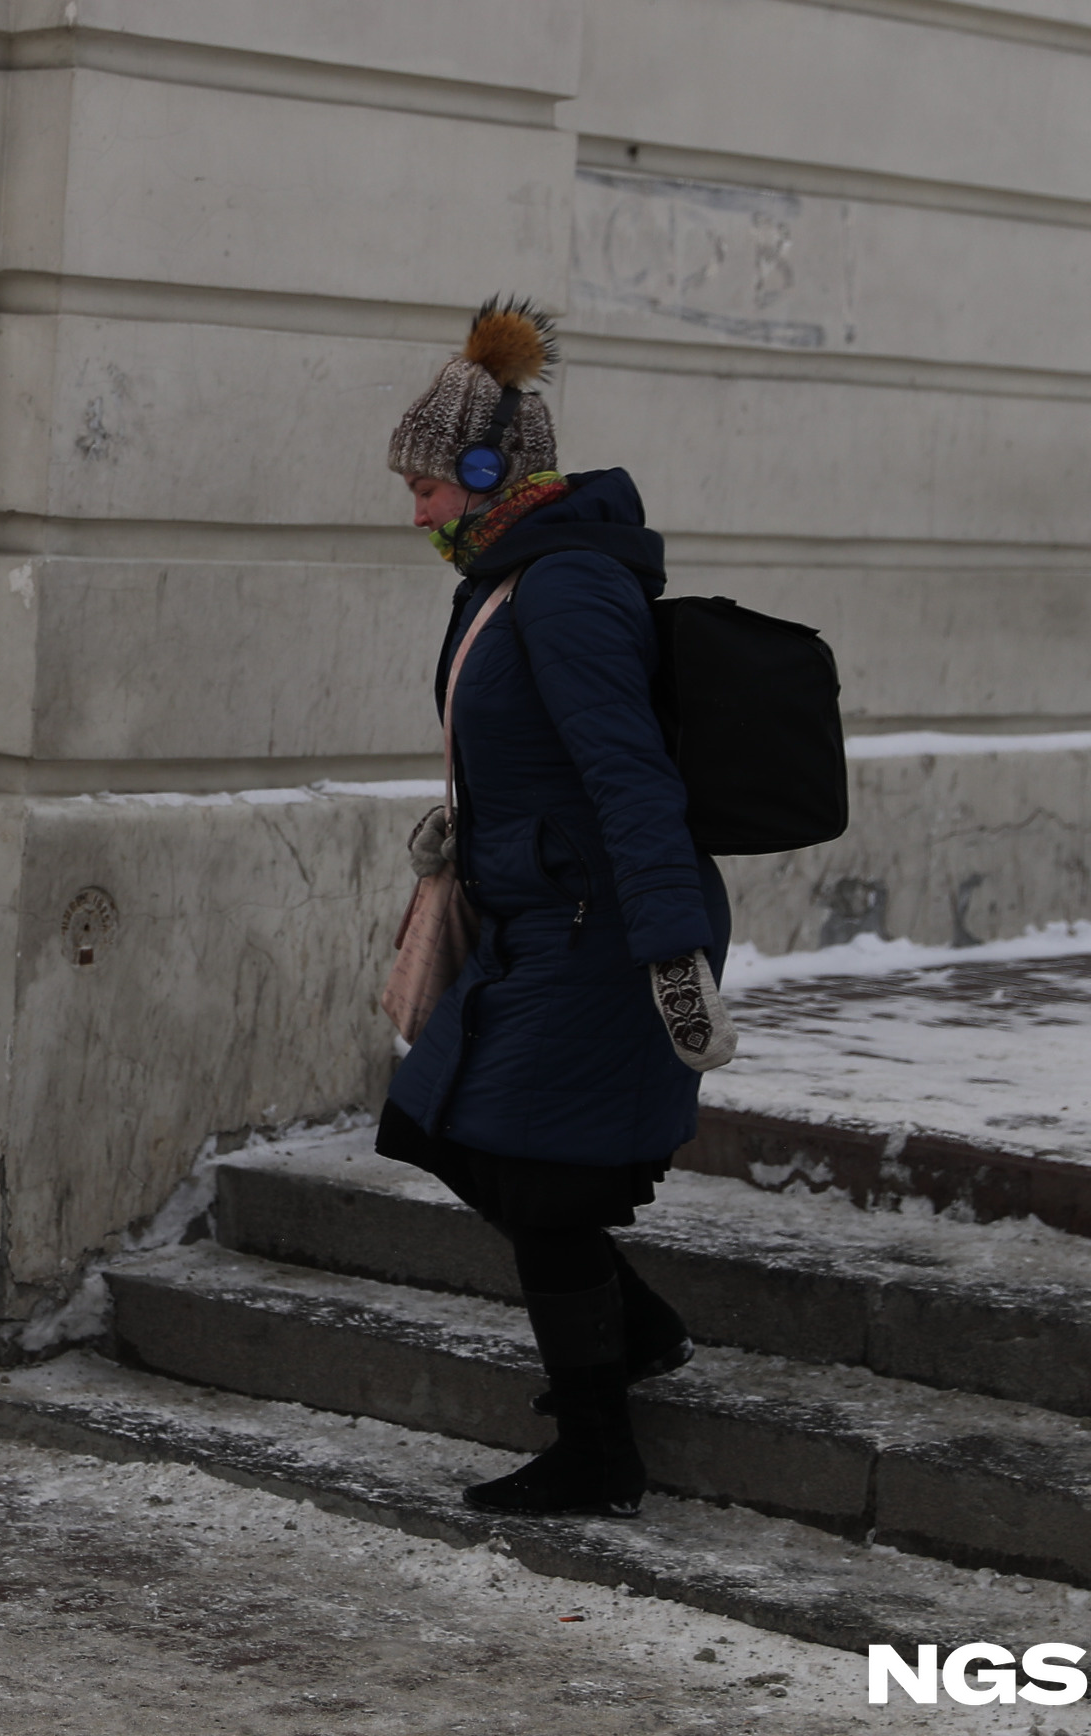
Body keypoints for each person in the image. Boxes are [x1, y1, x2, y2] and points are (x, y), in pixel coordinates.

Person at [377, 299, 738, 1519]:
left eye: (428, 482)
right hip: (539, 912)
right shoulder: (509, 577)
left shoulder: (568, 584)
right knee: (446, 1124)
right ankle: (634, 1330)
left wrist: (670, 946)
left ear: (489, 473)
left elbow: (628, 771)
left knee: (537, 1179)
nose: (416, 507)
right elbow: (531, 753)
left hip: (602, 932)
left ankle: (600, 1449)